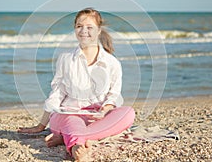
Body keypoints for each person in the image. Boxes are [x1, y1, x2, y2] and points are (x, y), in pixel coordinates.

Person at [18, 8, 135, 161]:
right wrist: (41, 125)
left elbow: (113, 96)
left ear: (99, 30)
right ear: (75, 29)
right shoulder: (65, 58)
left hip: (97, 117)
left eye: (89, 27)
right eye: (79, 26)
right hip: (68, 115)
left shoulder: (112, 63)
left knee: (128, 113)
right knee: (72, 122)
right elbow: (57, 93)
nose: (83, 31)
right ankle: (75, 147)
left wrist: (105, 110)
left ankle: (66, 138)